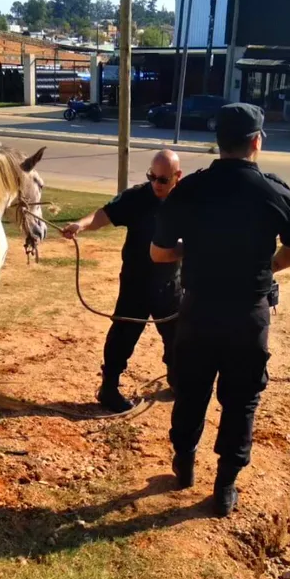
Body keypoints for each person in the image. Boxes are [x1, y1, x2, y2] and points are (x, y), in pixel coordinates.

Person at [150, 103, 290, 517]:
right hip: (248, 314)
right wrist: (265, 265)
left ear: (217, 143)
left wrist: (195, 250)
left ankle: (183, 463)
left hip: (198, 311)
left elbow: (160, 252)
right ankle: (224, 488)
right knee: (240, 399)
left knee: (191, 389)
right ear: (256, 142)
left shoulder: (190, 189)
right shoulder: (274, 191)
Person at [62, 150, 184, 413]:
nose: (156, 184)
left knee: (177, 336)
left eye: (163, 180)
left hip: (170, 283)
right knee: (122, 335)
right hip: (136, 282)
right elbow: (104, 215)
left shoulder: (187, 201)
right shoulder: (137, 197)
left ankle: (177, 379)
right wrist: (79, 225)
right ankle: (109, 388)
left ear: (177, 176)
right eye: (152, 177)